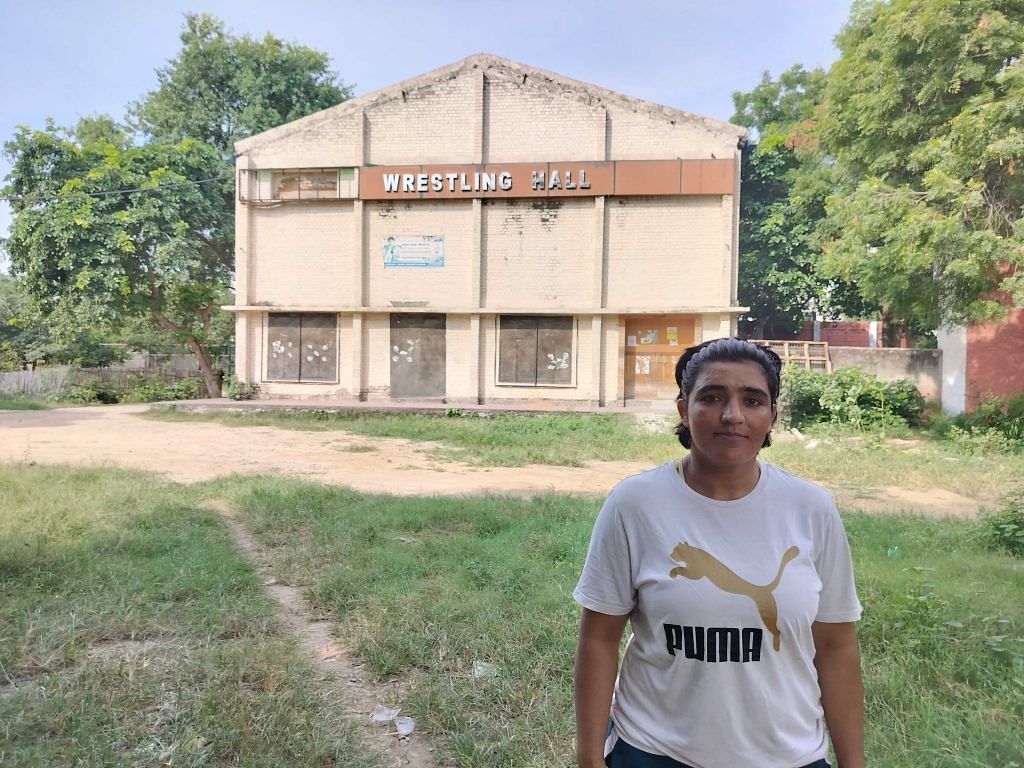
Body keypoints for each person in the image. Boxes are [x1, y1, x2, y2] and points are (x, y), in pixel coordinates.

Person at [573, 338, 864, 768]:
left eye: (752, 400)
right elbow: (599, 638)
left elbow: (837, 647)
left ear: (773, 414)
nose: (733, 415)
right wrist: (590, 760)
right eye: (712, 397)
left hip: (790, 755)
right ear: (683, 410)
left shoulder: (811, 508)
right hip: (655, 751)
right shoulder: (635, 504)